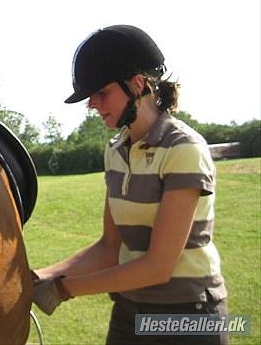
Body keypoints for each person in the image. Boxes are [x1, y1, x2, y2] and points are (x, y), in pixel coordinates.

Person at [32, 25, 228, 345]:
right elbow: (110, 248)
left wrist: (62, 289)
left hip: (188, 316)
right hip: (128, 310)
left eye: (101, 93)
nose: (92, 104)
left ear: (137, 84)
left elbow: (158, 267)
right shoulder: (115, 151)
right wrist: (40, 277)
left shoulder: (184, 149)